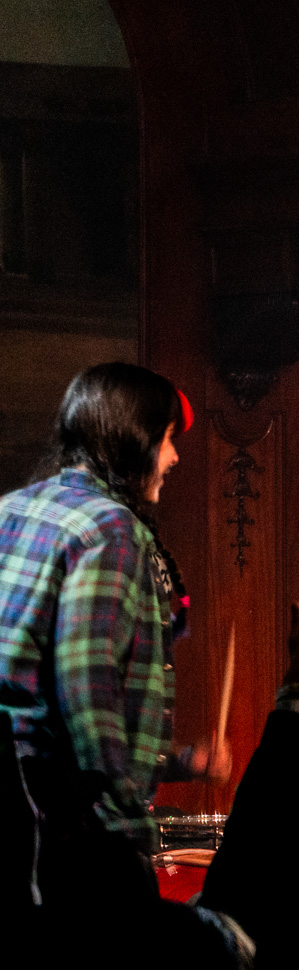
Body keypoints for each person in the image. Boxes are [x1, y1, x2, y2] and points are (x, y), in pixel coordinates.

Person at [0, 362, 226, 907]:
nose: (174, 458)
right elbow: (86, 686)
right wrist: (126, 831)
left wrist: (175, 764)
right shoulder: (110, 528)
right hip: (68, 831)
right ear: (136, 439)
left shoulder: (11, 509)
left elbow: (32, 686)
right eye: (169, 440)